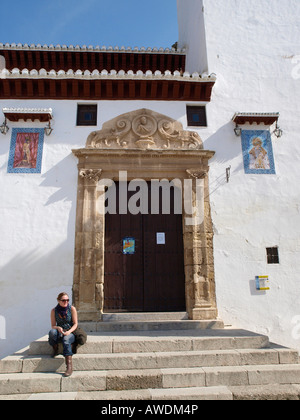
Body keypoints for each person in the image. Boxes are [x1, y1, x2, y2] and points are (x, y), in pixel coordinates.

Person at [48, 292, 78, 377]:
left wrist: (69, 331)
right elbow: (53, 325)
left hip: (70, 331)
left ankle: (69, 366)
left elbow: (75, 324)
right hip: (60, 331)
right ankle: (55, 349)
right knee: (52, 333)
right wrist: (58, 328)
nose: (66, 302)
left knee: (66, 339)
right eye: (63, 300)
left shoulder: (72, 309)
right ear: (58, 300)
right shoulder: (54, 311)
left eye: (67, 300)